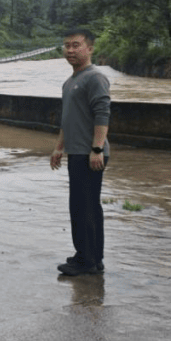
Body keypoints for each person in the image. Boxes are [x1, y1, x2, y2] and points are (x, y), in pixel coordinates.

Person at [49, 28, 111, 276]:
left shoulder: (94, 78)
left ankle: (86, 260)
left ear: (90, 48)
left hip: (90, 153)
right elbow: (67, 120)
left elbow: (102, 114)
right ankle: (92, 257)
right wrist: (59, 147)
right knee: (84, 206)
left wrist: (96, 148)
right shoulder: (70, 82)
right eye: (67, 46)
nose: (70, 50)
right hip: (77, 152)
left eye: (76, 45)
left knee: (84, 207)